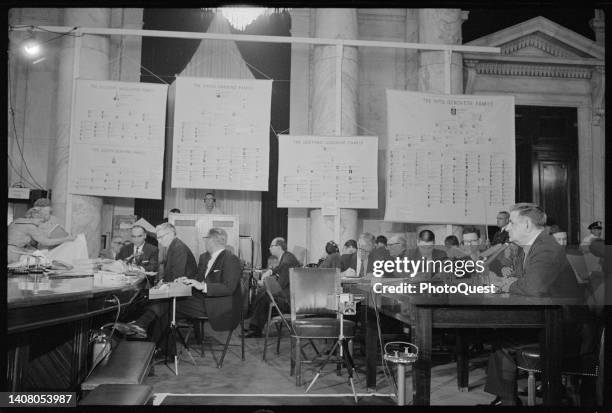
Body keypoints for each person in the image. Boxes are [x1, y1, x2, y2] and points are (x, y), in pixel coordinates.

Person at [485, 203, 583, 406]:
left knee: (502, 341)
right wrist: (508, 281)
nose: (506, 228)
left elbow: (534, 287)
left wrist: (507, 284)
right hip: (550, 320)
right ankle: (507, 400)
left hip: (565, 329)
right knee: (499, 335)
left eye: (511, 222)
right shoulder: (532, 246)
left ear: (527, 225)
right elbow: (522, 280)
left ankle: (508, 401)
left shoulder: (546, 247)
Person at [115, 223, 197, 343]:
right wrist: (162, 282)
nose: (158, 240)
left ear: (171, 234)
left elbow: (178, 276)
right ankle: (142, 329)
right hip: (179, 287)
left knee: (160, 301)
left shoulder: (178, 247)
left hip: (187, 291)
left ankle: (142, 328)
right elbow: (172, 274)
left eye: (161, 237)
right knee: (151, 298)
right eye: (158, 237)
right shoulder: (172, 246)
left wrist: (163, 284)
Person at [174, 228, 243, 332]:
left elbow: (229, 288)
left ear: (211, 240)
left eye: (205, 238)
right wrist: (187, 280)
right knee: (170, 303)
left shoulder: (231, 259)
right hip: (202, 300)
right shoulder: (204, 257)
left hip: (219, 306)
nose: (204, 241)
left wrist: (203, 286)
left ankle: (163, 344)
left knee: (170, 306)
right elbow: (199, 278)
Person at [244, 237, 300, 338]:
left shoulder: (286, 261)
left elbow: (279, 288)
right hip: (291, 296)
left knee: (264, 296)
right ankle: (254, 326)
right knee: (263, 294)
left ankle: (255, 328)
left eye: (271, 246)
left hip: (290, 301)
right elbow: (279, 269)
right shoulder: (287, 256)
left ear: (278, 247)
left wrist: (266, 284)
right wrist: (270, 271)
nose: (269, 248)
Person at [7, 208, 75, 264]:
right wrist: (66, 239)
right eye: (40, 221)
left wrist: (31, 250)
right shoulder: (30, 227)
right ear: (35, 217)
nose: (40, 224)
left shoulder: (16, 221)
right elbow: (46, 242)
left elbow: (16, 241)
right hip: (13, 253)